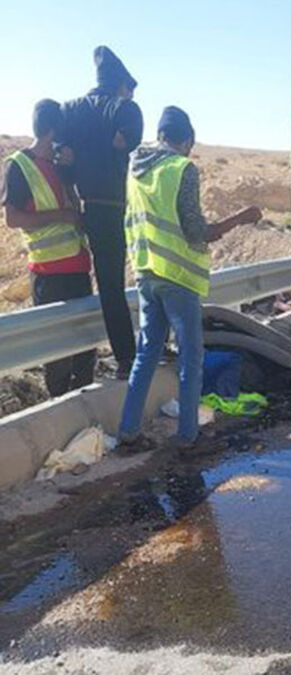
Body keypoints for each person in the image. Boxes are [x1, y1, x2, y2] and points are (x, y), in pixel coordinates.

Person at [117, 106, 261, 453]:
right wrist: (240, 218)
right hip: (177, 276)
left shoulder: (136, 169)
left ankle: (128, 430)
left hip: (145, 271)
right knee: (190, 355)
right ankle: (187, 436)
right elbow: (196, 231)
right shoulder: (182, 169)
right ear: (186, 140)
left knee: (147, 352)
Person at [1, 100, 96, 396]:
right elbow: (12, 218)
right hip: (48, 273)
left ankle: (86, 419)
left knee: (85, 349)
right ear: (54, 130)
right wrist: (62, 216)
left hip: (78, 267)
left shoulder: (60, 165)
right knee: (57, 357)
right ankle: (59, 413)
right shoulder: (19, 165)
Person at [60, 46, 144, 379]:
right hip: (113, 208)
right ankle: (126, 357)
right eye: (130, 87)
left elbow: (63, 156)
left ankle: (86, 360)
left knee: (82, 280)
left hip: (76, 206)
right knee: (112, 284)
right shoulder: (125, 108)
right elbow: (123, 143)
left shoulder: (69, 110)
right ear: (121, 84)